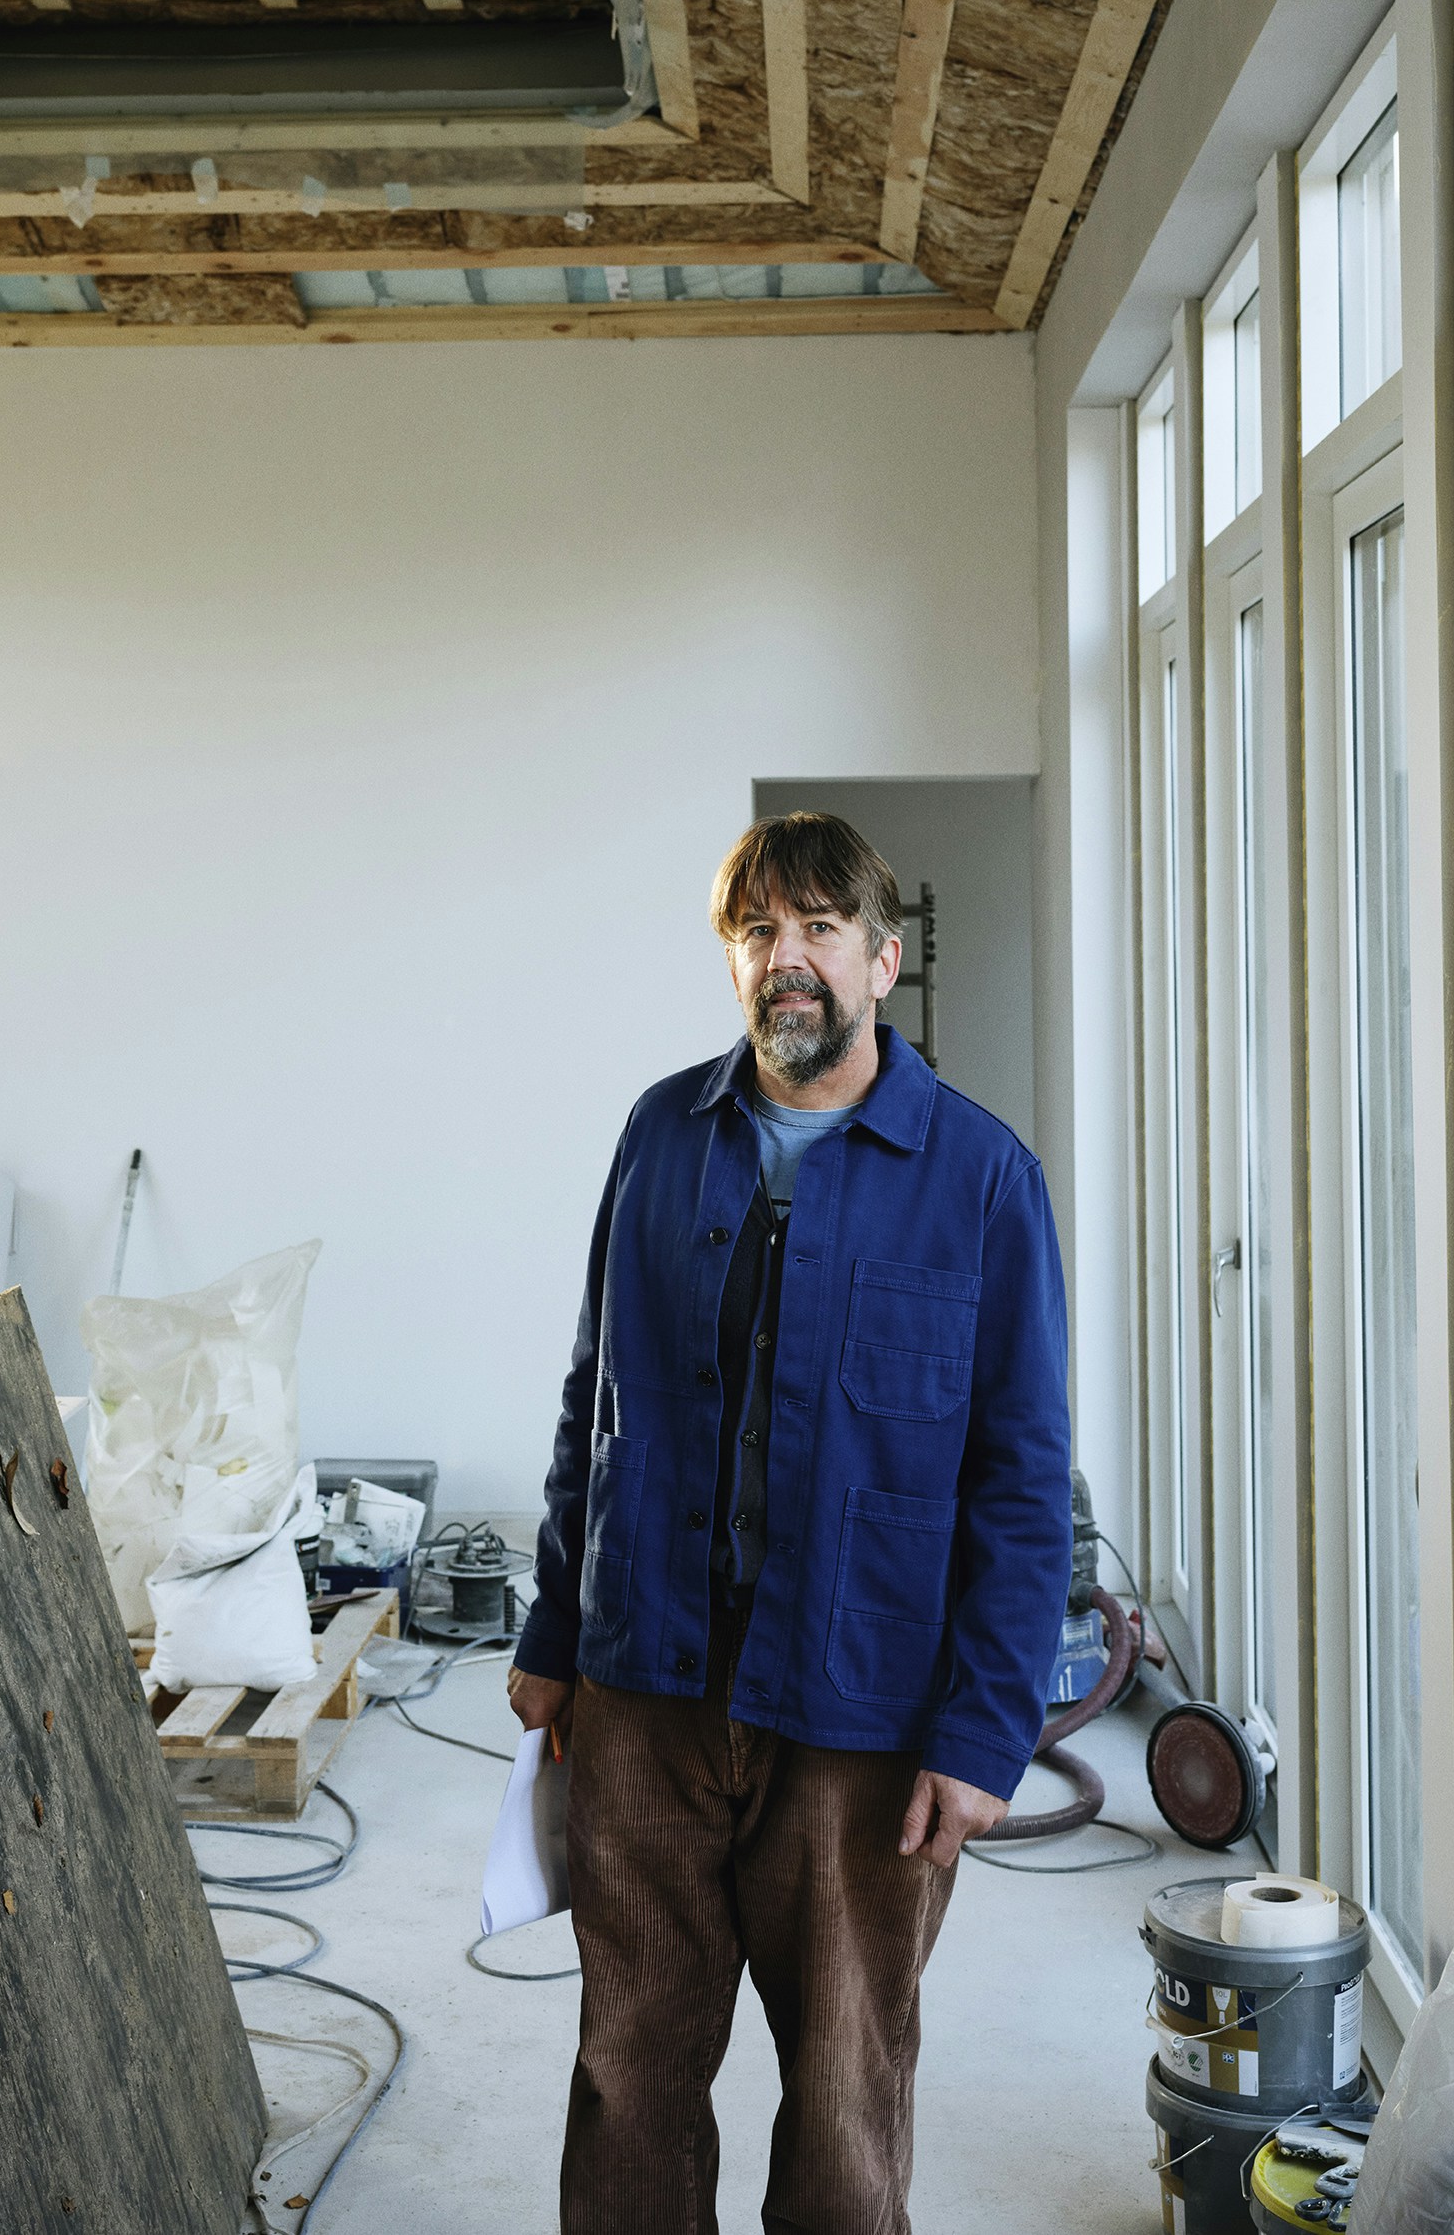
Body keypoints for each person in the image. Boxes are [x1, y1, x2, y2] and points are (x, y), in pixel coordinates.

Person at [508, 810, 1072, 2235]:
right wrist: (552, 1625)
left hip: (862, 1721)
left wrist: (982, 1729)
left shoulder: (983, 1182)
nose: (788, 959)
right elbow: (596, 1393)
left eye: (820, 928)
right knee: (628, 2071)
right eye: (758, 931)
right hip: (648, 1693)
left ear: (883, 961)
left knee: (839, 2093)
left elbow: (1021, 1480)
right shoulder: (659, 1135)